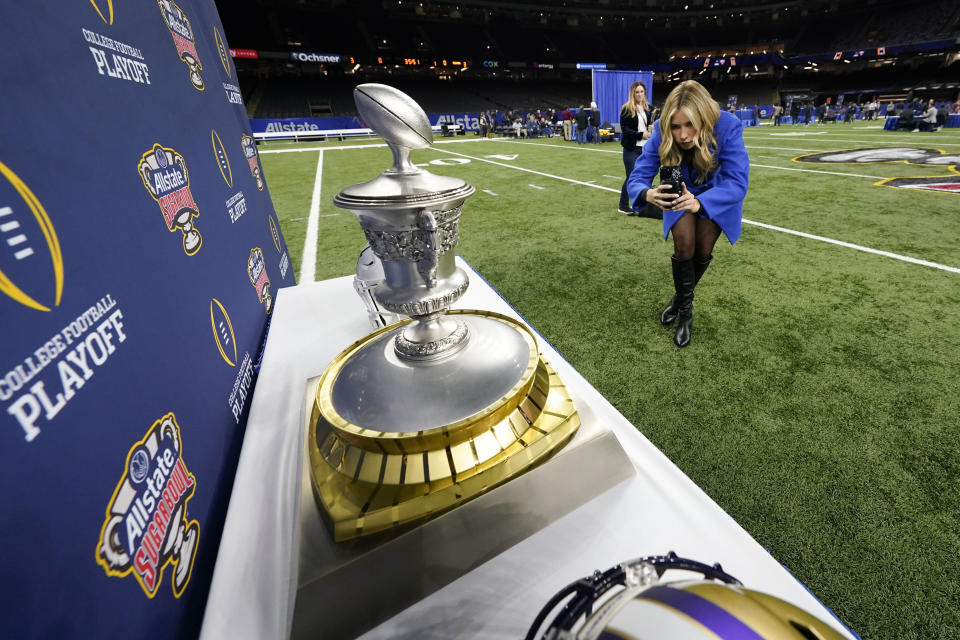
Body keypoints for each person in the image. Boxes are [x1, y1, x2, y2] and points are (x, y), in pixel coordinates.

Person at [626, 80, 750, 348]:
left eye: (689, 124)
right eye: (675, 126)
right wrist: (647, 193)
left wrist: (701, 203)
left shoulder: (727, 125)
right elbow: (638, 175)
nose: (682, 135)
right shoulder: (661, 132)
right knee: (685, 246)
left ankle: (679, 298)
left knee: (703, 251)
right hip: (680, 194)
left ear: (704, 117)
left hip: (716, 197)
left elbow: (737, 182)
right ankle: (685, 316)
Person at [618, 80, 653, 214]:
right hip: (631, 148)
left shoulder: (649, 108)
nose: (639, 94)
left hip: (645, 148)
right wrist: (640, 134)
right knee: (631, 176)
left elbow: (649, 129)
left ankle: (643, 205)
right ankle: (623, 205)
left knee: (644, 176)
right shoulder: (626, 108)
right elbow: (625, 130)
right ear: (632, 93)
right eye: (637, 92)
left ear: (644, 93)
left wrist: (652, 128)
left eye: (641, 92)